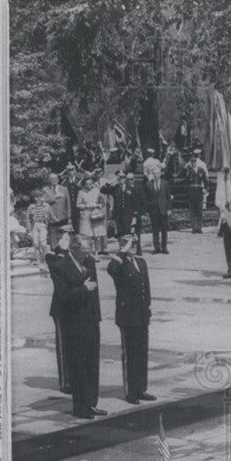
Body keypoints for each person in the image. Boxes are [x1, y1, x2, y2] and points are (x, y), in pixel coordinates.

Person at [54, 233, 106, 420]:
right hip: (74, 324)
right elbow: (63, 297)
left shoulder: (89, 262)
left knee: (92, 364)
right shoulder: (61, 266)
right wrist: (83, 289)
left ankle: (91, 403)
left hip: (90, 320)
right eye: (85, 251)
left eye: (89, 250)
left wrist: (97, 317)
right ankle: (80, 407)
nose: (88, 254)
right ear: (75, 249)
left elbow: (95, 291)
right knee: (78, 365)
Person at [107, 236, 155, 405]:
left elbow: (146, 288)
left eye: (134, 244)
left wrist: (147, 308)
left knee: (142, 353)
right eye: (129, 244)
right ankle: (131, 391)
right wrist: (122, 251)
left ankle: (141, 388)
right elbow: (111, 268)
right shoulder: (119, 264)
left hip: (141, 314)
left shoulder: (141, 262)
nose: (133, 247)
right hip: (127, 315)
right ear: (122, 246)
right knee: (131, 354)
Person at [45, 223, 75, 395]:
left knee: (73, 344)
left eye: (68, 237)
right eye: (64, 237)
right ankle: (65, 381)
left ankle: (74, 377)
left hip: (73, 304)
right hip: (61, 306)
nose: (68, 241)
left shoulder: (69, 254)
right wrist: (62, 250)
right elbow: (58, 269)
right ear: (57, 239)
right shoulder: (53, 255)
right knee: (63, 345)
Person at [101, 172, 143, 254]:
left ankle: (136, 249)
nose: (121, 179)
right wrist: (110, 182)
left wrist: (135, 213)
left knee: (131, 232)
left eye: (123, 177)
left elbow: (135, 201)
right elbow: (103, 190)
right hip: (118, 214)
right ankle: (122, 248)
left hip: (129, 213)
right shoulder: (115, 187)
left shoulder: (131, 187)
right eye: (120, 178)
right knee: (121, 232)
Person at [76, 175, 108, 258]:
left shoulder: (96, 191)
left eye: (90, 184)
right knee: (87, 235)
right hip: (86, 215)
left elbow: (103, 202)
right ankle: (89, 253)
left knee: (97, 235)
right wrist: (86, 206)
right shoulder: (81, 192)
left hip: (96, 214)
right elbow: (78, 204)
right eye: (87, 184)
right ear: (84, 184)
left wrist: (98, 205)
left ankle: (96, 253)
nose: (89, 185)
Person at [142, 169, 171, 254]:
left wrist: (169, 209)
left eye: (157, 173)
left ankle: (164, 248)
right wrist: (147, 210)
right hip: (153, 210)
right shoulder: (148, 184)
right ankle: (157, 248)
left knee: (164, 230)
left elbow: (168, 197)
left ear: (160, 174)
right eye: (154, 173)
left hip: (163, 210)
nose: (156, 175)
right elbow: (146, 198)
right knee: (155, 230)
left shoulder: (165, 183)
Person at [182, 148, 209, 234]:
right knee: (192, 211)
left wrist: (206, 188)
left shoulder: (201, 170)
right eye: (192, 162)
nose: (193, 164)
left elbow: (205, 180)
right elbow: (185, 182)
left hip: (199, 191)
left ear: (196, 163)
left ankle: (199, 227)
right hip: (191, 192)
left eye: (194, 162)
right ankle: (194, 227)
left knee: (199, 211)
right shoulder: (189, 171)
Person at [26, 189, 52, 272]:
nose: (38, 199)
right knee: (36, 245)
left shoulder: (47, 206)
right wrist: (29, 230)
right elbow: (27, 219)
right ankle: (39, 263)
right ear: (34, 198)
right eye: (36, 197)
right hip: (35, 226)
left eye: (40, 196)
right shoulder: (31, 206)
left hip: (43, 225)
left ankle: (46, 262)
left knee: (43, 244)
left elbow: (52, 216)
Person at [44, 172, 72, 247]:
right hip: (52, 217)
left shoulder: (64, 189)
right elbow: (43, 201)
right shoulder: (45, 190)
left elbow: (68, 203)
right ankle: (54, 253)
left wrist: (69, 217)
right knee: (53, 237)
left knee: (64, 237)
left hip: (63, 216)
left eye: (56, 178)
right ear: (49, 180)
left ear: (58, 179)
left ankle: (63, 253)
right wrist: (55, 197)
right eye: (52, 179)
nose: (54, 180)